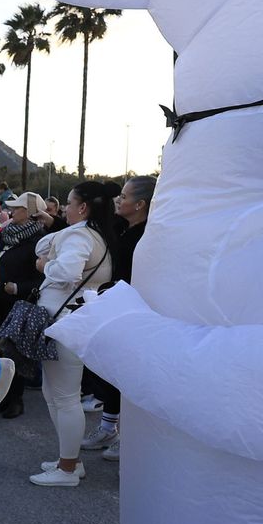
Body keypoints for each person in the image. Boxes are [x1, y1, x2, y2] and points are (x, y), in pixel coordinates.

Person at [28, 180, 119, 487]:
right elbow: (43, 245)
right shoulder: (95, 234)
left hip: (64, 322)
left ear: (83, 207)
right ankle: (69, 461)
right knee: (55, 394)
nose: (65, 208)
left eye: (69, 203)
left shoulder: (79, 235)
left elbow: (65, 270)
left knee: (64, 398)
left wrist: (45, 266)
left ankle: (67, 469)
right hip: (75, 321)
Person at [82, 175, 155, 460]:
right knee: (112, 373)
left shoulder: (149, 237)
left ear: (140, 204)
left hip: (134, 313)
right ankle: (108, 427)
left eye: (124, 197)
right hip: (116, 309)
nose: (118, 200)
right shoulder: (125, 228)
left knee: (131, 377)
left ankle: (130, 439)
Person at [0, 191, 52, 420]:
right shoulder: (5, 235)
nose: (12, 211)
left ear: (30, 212)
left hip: (18, 305)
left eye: (17, 208)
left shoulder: (39, 242)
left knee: (14, 352)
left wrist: (18, 288)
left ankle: (15, 399)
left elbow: (43, 277)